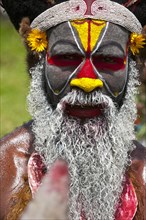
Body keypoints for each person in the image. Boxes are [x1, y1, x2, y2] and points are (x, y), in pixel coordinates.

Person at [0, 0, 146, 219]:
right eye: (66, 57)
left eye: (108, 59)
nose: (87, 82)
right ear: (39, 67)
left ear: (131, 71)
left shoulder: (143, 175)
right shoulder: (5, 174)